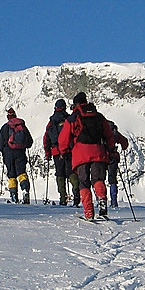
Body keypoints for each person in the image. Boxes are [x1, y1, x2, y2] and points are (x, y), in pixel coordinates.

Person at [58, 92, 116, 220]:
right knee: (98, 180)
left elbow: (63, 138)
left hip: (80, 154)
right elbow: (109, 135)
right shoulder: (99, 116)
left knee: (83, 183)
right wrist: (111, 150)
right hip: (98, 152)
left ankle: (89, 212)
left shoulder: (73, 118)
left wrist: (64, 152)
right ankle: (101, 201)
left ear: (76, 104)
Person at [43, 99, 80, 206]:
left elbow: (46, 138)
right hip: (69, 150)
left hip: (56, 151)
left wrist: (47, 152)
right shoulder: (69, 119)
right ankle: (76, 190)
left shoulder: (51, 121)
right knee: (71, 172)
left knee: (60, 174)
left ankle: (63, 198)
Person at [0, 108, 34, 203]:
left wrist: (4, 151)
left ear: (8, 117)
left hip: (8, 154)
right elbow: (30, 141)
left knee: (12, 175)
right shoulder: (22, 126)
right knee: (22, 173)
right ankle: (25, 190)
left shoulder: (5, 128)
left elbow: (0, 143)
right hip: (20, 153)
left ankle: (14, 196)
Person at [106, 121, 129, 208]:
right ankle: (114, 201)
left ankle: (101, 200)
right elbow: (125, 143)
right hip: (113, 157)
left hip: (102, 156)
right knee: (112, 179)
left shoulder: (101, 130)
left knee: (99, 179)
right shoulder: (114, 132)